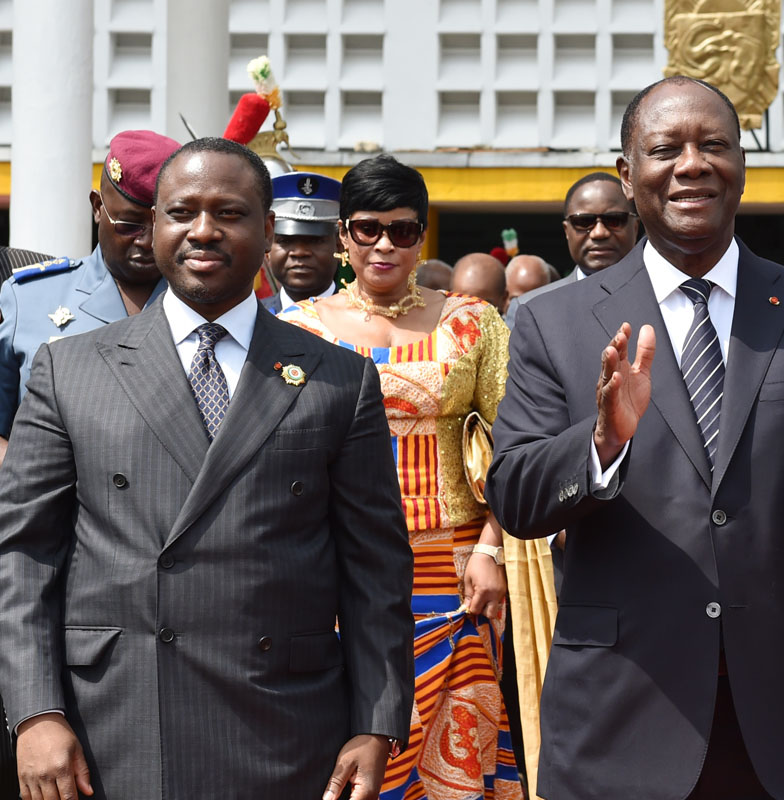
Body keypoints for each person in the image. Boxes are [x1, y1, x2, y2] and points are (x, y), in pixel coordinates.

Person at [487, 76, 784, 800]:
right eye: (666, 149)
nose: (692, 164)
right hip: (623, 711)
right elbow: (517, 495)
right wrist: (600, 446)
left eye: (714, 145)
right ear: (628, 176)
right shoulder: (550, 322)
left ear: (742, 167)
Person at [0, 137, 414, 799]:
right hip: (111, 724)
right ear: (156, 224)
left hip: (286, 723)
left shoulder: (339, 379)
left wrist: (377, 720)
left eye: (229, 212)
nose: (203, 230)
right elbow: (23, 555)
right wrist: (36, 712)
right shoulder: (69, 369)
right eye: (181, 211)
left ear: (267, 228)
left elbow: (376, 570)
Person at [277, 153, 522, 800]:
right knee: (347, 746)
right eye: (367, 228)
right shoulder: (295, 331)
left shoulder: (473, 322)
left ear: (422, 235)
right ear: (341, 236)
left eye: (403, 229)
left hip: (457, 568)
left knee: (455, 755)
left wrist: (493, 549)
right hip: (337, 568)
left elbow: (515, 444)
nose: (384, 244)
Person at [0, 129, 180, 463]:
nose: (146, 242)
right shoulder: (28, 297)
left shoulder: (200, 302)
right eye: (129, 225)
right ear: (98, 207)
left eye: (160, 226)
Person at [504, 172, 640, 328]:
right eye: (583, 221)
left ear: (635, 228)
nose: (599, 233)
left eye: (614, 220)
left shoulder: (664, 296)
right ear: (567, 231)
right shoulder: (529, 310)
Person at [263, 171, 342, 314]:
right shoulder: (250, 320)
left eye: (315, 240)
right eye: (285, 240)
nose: (299, 252)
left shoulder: (366, 322)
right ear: (268, 246)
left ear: (340, 245)